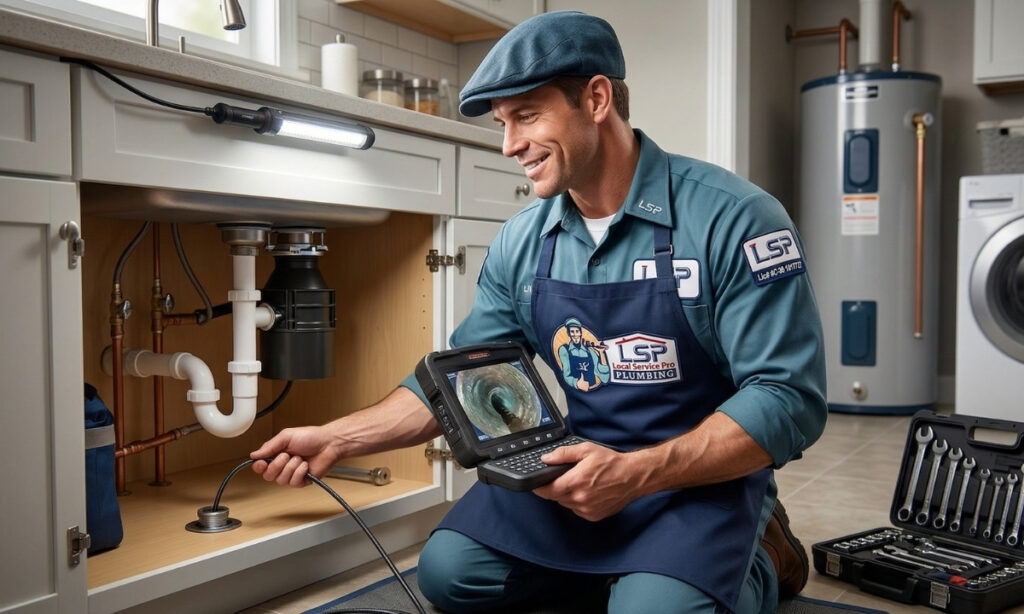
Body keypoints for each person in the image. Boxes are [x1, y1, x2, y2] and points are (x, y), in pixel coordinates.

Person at [251, 10, 827, 614]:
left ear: (597, 100)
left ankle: (764, 552)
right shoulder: (524, 240)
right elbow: (461, 379)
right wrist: (337, 438)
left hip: (696, 477)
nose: (509, 146)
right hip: (577, 469)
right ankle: (621, 577)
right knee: (449, 575)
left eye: (526, 116)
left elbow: (788, 396)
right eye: (503, 123)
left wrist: (637, 473)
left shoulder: (735, 219)